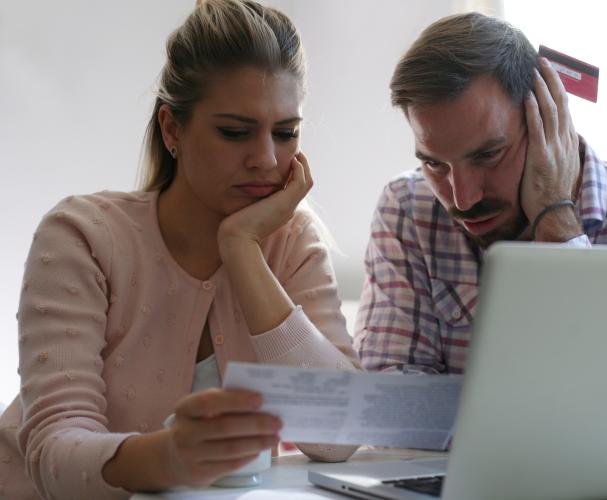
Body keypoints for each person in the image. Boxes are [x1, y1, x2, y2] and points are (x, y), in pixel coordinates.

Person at [0, 1, 360, 498]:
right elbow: (54, 451)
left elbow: (340, 435)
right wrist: (170, 457)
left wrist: (241, 247)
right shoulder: (81, 235)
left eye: (286, 132)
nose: (267, 158)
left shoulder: (292, 241)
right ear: (173, 129)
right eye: (234, 132)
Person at [354, 12, 607, 375]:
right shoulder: (408, 208)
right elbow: (393, 410)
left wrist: (555, 219)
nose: (463, 198)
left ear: (550, 122)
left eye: (488, 155)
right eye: (435, 164)